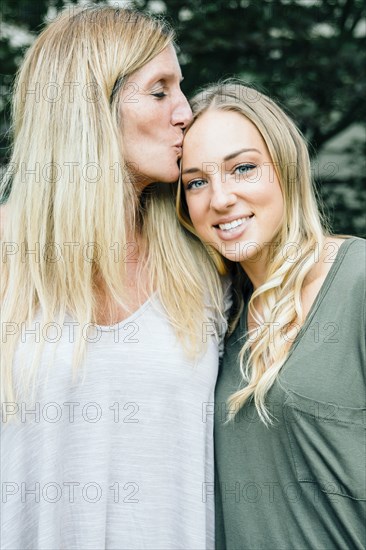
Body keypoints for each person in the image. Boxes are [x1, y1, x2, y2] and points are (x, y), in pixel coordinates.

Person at [0, 6, 228, 549]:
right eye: (159, 90)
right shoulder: (8, 253)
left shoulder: (204, 263)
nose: (184, 112)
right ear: (89, 106)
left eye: (182, 88)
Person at [178, 80, 366, 549]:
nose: (219, 198)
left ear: (286, 168)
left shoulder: (358, 281)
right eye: (197, 181)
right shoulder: (219, 319)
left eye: (242, 168)